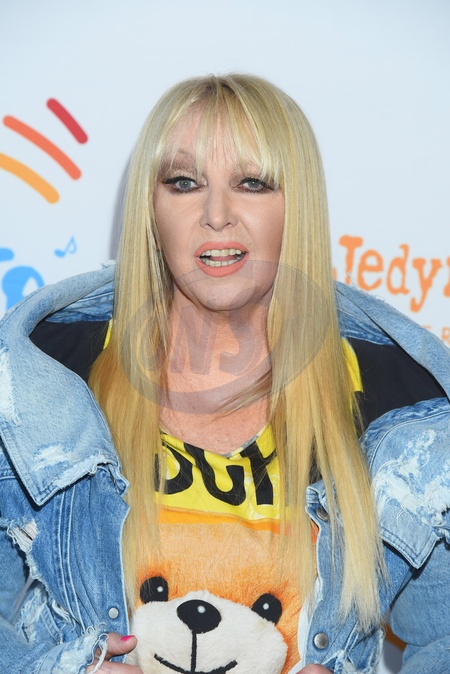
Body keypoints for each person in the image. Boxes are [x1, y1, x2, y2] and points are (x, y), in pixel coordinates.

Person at [0, 74, 449, 674]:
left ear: (298, 206)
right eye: (184, 183)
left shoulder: (403, 408)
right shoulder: (40, 380)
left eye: (252, 183)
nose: (216, 216)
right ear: (151, 208)